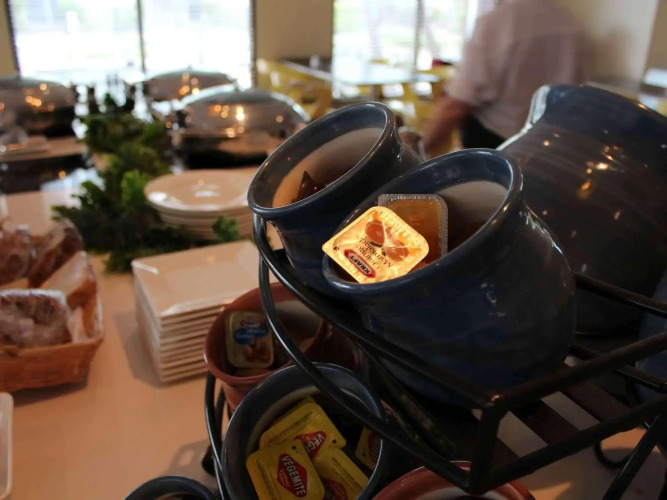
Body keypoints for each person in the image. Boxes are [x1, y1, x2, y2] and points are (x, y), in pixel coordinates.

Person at [423, 0, 589, 155]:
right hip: (547, 150)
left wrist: (421, 149)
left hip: (492, 150)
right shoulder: (572, 26)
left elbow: (454, 108)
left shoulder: (497, 23)